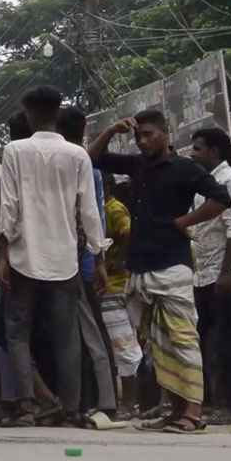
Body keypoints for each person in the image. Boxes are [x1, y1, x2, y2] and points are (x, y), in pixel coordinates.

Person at [89, 109, 231, 434]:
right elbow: (92, 158)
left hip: (173, 266)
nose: (142, 141)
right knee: (158, 344)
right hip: (140, 268)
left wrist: (184, 222)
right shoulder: (137, 165)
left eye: (149, 134)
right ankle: (175, 410)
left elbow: (221, 199)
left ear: (166, 134)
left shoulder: (185, 168)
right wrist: (112, 130)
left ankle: (193, 413)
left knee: (182, 339)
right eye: (139, 136)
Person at [0, 87, 105, 427]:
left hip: (23, 255)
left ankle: (28, 406)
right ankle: (71, 409)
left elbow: (9, 206)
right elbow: (89, 211)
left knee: (17, 333)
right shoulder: (78, 155)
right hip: (64, 258)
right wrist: (98, 256)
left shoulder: (15, 150)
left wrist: (2, 252)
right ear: (57, 113)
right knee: (66, 335)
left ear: (27, 114)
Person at [55, 106, 122, 427]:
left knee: (85, 336)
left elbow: (93, 219)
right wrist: (100, 261)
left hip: (65, 264)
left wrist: (97, 261)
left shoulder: (65, 165)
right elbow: (95, 219)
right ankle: (98, 402)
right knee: (88, 335)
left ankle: (100, 402)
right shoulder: (82, 166)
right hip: (79, 262)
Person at [187, 128, 231, 426]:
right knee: (206, 342)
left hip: (227, 275)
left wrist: (226, 273)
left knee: (230, 342)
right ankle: (210, 403)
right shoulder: (203, 186)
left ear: (214, 151)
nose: (193, 153)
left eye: (198, 149)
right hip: (204, 275)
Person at [99, 176, 142, 417]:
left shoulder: (113, 209)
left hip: (115, 285)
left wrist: (117, 261)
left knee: (123, 343)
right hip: (113, 285)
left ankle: (129, 403)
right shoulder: (103, 208)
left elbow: (128, 233)